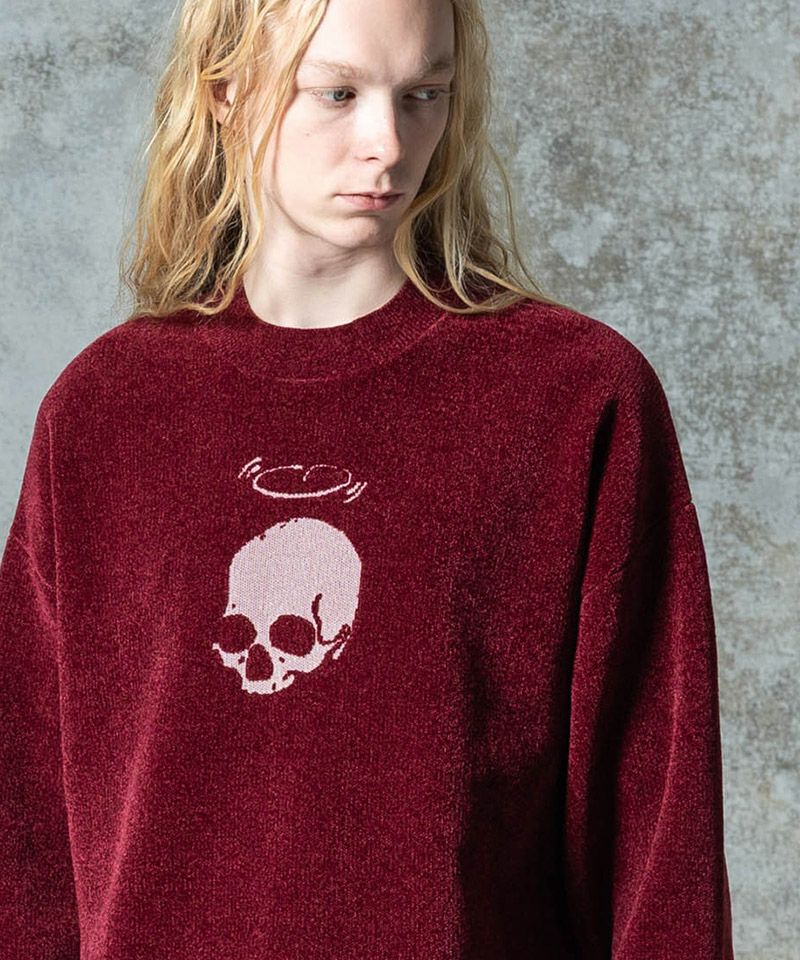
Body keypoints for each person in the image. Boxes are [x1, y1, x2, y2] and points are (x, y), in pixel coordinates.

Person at [0, 0, 735, 957]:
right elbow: (25, 837)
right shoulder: (104, 410)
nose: (388, 145)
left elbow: (659, 839)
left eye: (424, 94)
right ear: (225, 92)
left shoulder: (572, 397)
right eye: (337, 94)